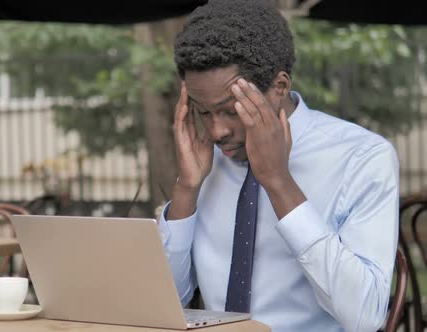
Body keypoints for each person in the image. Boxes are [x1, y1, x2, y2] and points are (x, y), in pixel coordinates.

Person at [157, 1, 399, 331]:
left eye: (231, 110)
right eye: (202, 111)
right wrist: (186, 189)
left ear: (279, 87)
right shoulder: (204, 163)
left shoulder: (361, 157)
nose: (216, 131)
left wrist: (279, 182)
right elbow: (165, 301)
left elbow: (365, 316)